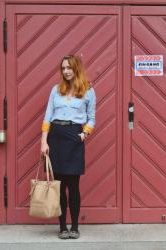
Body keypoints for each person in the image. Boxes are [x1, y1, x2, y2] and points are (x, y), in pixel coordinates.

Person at [40, 55, 96, 239]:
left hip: (74, 138)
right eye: (63, 68)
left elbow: (91, 118)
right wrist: (44, 141)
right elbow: (48, 116)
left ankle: (75, 227)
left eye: (69, 68)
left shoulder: (88, 90)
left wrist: (83, 135)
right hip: (56, 137)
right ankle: (62, 227)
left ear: (76, 68)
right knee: (59, 185)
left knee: (73, 185)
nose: (65, 71)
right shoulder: (56, 90)